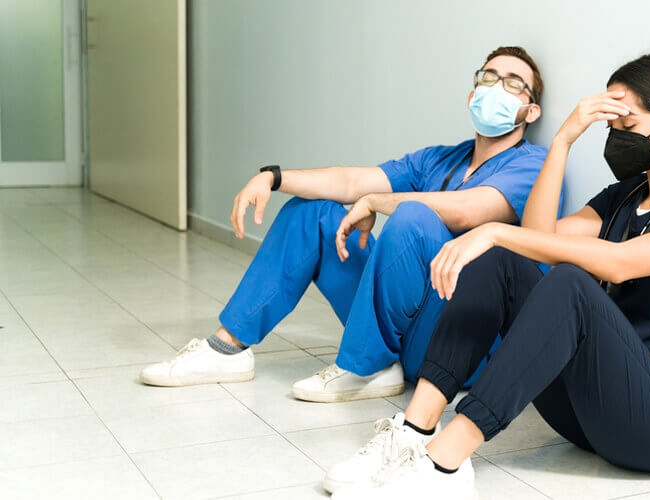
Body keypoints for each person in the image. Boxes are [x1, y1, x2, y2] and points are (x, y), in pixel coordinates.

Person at [324, 51, 650, 499]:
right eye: (611, 129)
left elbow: (621, 262)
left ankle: (444, 465)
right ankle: (412, 431)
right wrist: (564, 140)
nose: (618, 139)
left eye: (629, 128)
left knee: (567, 280)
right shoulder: (625, 197)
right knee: (503, 260)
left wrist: (491, 230)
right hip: (589, 415)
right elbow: (535, 238)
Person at [139, 46, 548, 404]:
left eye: (513, 83)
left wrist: (376, 203)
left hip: (460, 342)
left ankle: (365, 365)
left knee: (414, 215)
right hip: (406, 323)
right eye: (489, 77)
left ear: (531, 111)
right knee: (313, 211)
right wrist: (272, 177)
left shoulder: (533, 165)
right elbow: (351, 182)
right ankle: (227, 348)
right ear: (472, 95)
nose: (497, 87)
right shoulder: (441, 159)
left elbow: (466, 210)